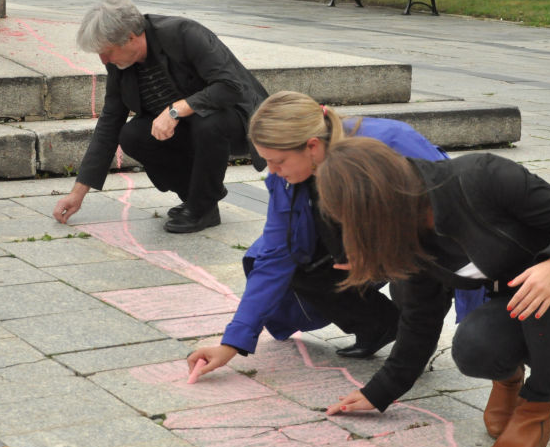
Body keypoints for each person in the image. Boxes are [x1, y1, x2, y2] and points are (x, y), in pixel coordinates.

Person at [315, 137, 550, 447]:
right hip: (529, 308)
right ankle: (509, 380)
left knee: (543, 287)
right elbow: (420, 320)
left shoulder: (482, 176)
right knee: (473, 348)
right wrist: (380, 391)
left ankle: (536, 409)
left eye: (355, 222)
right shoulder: (411, 235)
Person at [186, 91, 485, 377]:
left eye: (279, 161)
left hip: (418, 239)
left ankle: (421, 332)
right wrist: (232, 343)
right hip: (361, 244)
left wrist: (475, 306)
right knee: (286, 257)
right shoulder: (288, 179)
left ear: (312, 146)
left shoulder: (393, 144)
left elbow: (455, 220)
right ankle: (378, 325)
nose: (273, 171)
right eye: (267, 162)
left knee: (420, 295)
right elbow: (276, 255)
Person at [52, 0, 267, 234]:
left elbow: (231, 86)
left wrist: (177, 109)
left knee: (208, 122)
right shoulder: (119, 64)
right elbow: (110, 120)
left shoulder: (184, 34)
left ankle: (202, 206)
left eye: (107, 52)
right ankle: (197, 201)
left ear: (130, 38)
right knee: (132, 134)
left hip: (235, 121)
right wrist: (77, 193)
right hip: (186, 129)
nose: (104, 60)